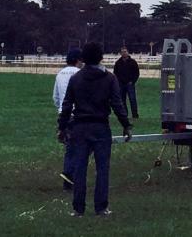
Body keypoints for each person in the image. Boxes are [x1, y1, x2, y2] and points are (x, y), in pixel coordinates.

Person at [59, 42, 132, 217]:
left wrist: (62, 128)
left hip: (80, 127)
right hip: (100, 127)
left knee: (80, 169)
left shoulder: (76, 79)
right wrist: (126, 125)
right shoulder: (109, 78)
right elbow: (117, 104)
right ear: (101, 57)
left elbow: (67, 105)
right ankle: (101, 208)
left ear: (83, 58)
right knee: (103, 170)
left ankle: (78, 209)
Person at [53, 48, 83, 188]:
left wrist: (61, 110)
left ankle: (68, 177)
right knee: (79, 146)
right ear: (78, 60)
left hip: (64, 114)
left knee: (70, 147)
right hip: (77, 114)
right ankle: (71, 174)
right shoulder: (80, 74)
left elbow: (56, 97)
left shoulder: (59, 74)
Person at [113, 47, 141, 119]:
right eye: (122, 52)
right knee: (122, 100)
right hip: (121, 85)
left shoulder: (133, 62)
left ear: (128, 52)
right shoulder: (118, 63)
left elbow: (137, 73)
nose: (124, 53)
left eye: (125, 52)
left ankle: (135, 115)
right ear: (120, 53)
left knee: (132, 100)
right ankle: (125, 115)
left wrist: (133, 81)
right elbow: (115, 73)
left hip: (130, 84)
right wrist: (118, 82)